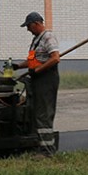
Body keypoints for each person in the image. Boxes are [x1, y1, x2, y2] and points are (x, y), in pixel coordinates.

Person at [14, 11, 60, 154]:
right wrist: (18, 66)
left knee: (43, 114)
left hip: (46, 79)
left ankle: (47, 151)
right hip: (37, 79)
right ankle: (39, 146)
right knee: (36, 113)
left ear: (37, 24)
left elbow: (55, 58)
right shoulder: (36, 40)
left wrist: (39, 70)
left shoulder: (48, 37)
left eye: (28, 26)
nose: (27, 29)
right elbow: (33, 61)